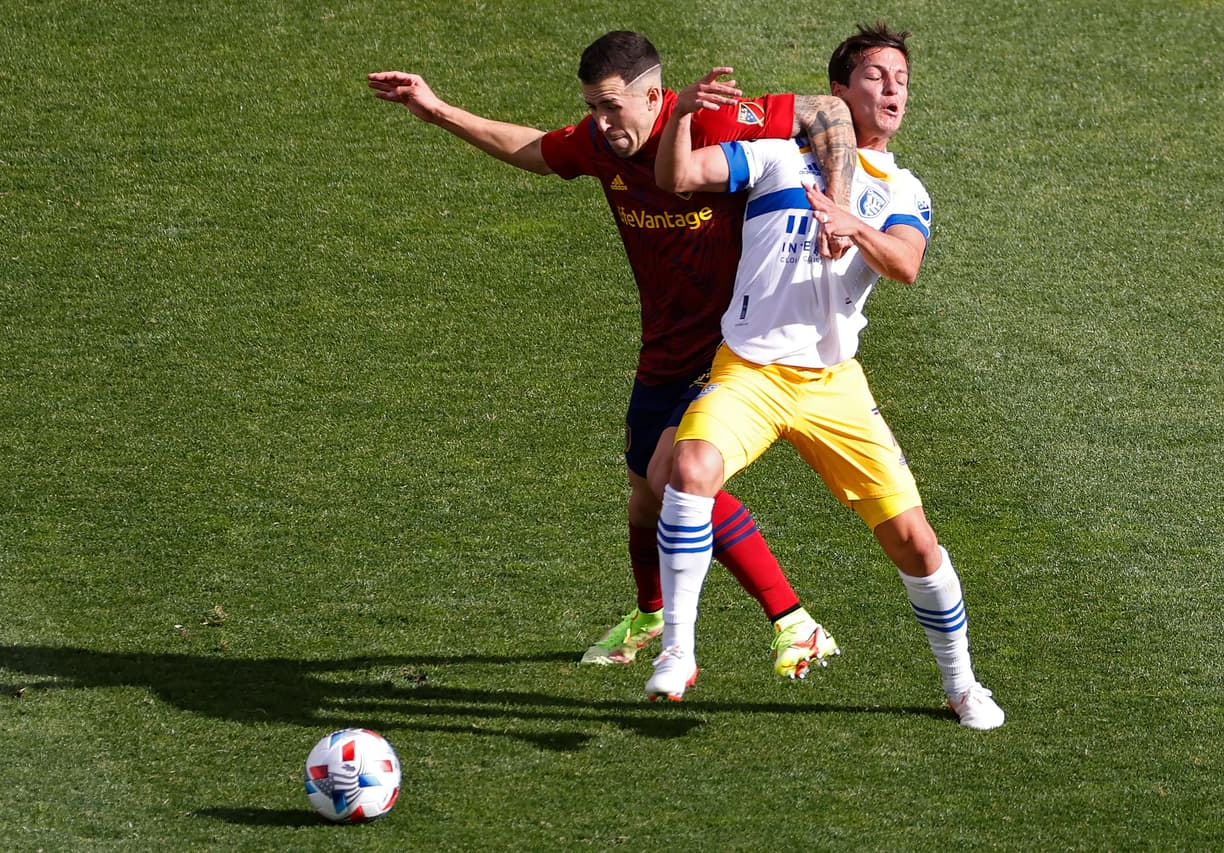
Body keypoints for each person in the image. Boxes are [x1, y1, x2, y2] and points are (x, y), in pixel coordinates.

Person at [368, 32, 858, 676]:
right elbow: (535, 149)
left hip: (731, 342)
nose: (599, 122)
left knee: (675, 479)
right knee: (642, 495)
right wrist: (438, 111)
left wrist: (842, 208)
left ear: (656, 96)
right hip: (664, 343)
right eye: (592, 108)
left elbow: (828, 112)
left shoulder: (711, 119)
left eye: (610, 106)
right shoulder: (603, 142)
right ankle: (650, 615)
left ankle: (794, 621)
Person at [647, 22, 1005, 729]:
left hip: (833, 384)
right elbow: (678, 178)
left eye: (901, 78)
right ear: (838, 92)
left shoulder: (904, 186)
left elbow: (905, 263)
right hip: (749, 369)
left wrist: (853, 223)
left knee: (915, 540)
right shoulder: (777, 157)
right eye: (875, 75)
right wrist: (683, 114)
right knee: (688, 468)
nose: (893, 88)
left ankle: (963, 685)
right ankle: (679, 652)